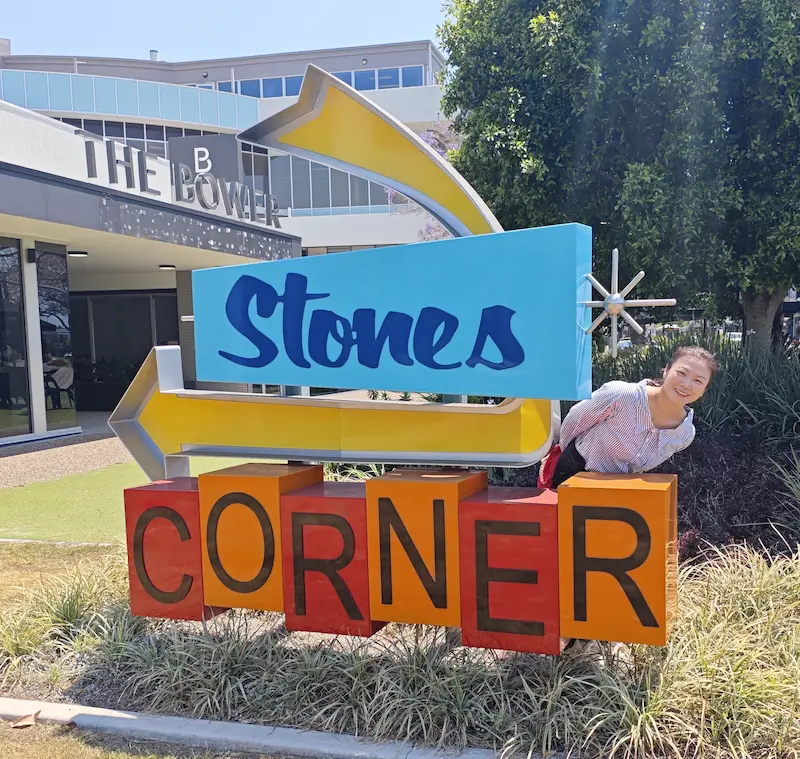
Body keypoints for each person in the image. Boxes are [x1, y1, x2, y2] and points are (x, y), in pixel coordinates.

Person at [541, 346, 719, 489]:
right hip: (573, 473)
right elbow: (575, 420)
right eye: (681, 373)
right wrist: (562, 454)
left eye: (698, 381)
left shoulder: (685, 433)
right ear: (666, 371)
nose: (686, 384)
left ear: (704, 390)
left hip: (622, 489)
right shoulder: (621, 395)